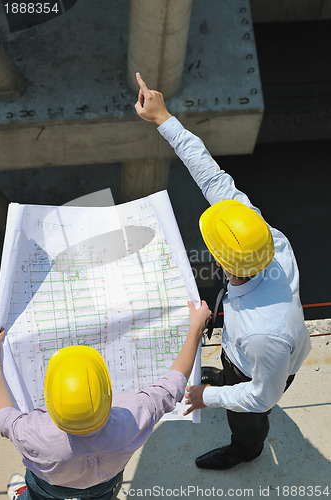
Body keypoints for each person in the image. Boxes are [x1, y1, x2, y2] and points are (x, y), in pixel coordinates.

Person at [134, 72, 312, 470]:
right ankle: (226, 375)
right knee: (230, 374)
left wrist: (206, 396)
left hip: (260, 368)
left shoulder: (263, 334)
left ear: (221, 261)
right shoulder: (264, 238)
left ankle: (243, 452)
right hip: (250, 350)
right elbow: (212, 175)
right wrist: (164, 118)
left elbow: (262, 397)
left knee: (247, 421)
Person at [0, 299, 211, 499]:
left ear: (50, 402)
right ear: (108, 392)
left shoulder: (32, 432)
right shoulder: (132, 417)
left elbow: (4, 415)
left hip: (48, 486)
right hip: (105, 484)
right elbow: (173, 386)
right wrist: (195, 329)